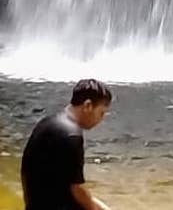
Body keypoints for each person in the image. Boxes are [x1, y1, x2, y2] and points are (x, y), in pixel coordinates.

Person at [21, 78, 114, 210]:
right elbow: (76, 189)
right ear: (88, 106)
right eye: (101, 113)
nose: (101, 119)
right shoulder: (72, 135)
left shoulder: (49, 122)